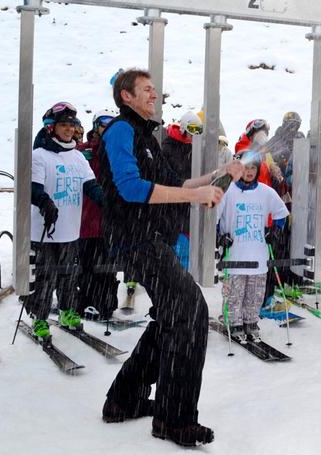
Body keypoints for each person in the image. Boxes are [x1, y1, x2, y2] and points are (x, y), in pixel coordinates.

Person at [98, 68, 243, 447]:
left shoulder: (146, 136)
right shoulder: (120, 131)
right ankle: (174, 420)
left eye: (155, 90)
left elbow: (177, 185)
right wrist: (196, 198)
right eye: (146, 90)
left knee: (173, 313)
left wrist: (219, 174)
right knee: (191, 310)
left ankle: (123, 400)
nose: (154, 96)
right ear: (126, 96)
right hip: (134, 240)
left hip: (149, 238)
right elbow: (129, 188)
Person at [24, 102, 103, 339]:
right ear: (51, 128)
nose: (69, 130)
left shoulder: (78, 157)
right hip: (45, 230)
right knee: (45, 276)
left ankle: (68, 311)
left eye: (72, 126)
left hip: (70, 230)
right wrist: (45, 202)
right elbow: (34, 189)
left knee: (70, 274)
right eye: (64, 125)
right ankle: (40, 318)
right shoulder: (39, 155)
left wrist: (108, 204)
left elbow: (91, 186)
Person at [216, 150, 289, 342]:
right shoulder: (228, 190)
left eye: (253, 168)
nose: (249, 172)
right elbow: (213, 218)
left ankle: (250, 321)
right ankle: (233, 322)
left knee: (255, 293)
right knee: (234, 293)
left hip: (258, 253)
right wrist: (220, 236)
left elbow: (282, 213)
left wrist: (275, 231)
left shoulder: (266, 192)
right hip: (235, 253)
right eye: (245, 168)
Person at [77, 109, 120, 321]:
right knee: (86, 264)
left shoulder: (116, 150)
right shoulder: (84, 151)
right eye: (104, 123)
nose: (107, 128)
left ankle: (106, 303)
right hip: (86, 217)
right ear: (96, 126)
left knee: (106, 266)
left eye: (112, 123)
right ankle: (85, 302)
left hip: (108, 220)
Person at [161, 111, 204, 270]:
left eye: (196, 132)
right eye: (191, 132)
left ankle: (183, 282)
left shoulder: (192, 148)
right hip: (171, 206)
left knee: (186, 253)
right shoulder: (168, 147)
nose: (193, 137)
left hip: (188, 206)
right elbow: (167, 177)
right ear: (183, 129)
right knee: (176, 252)